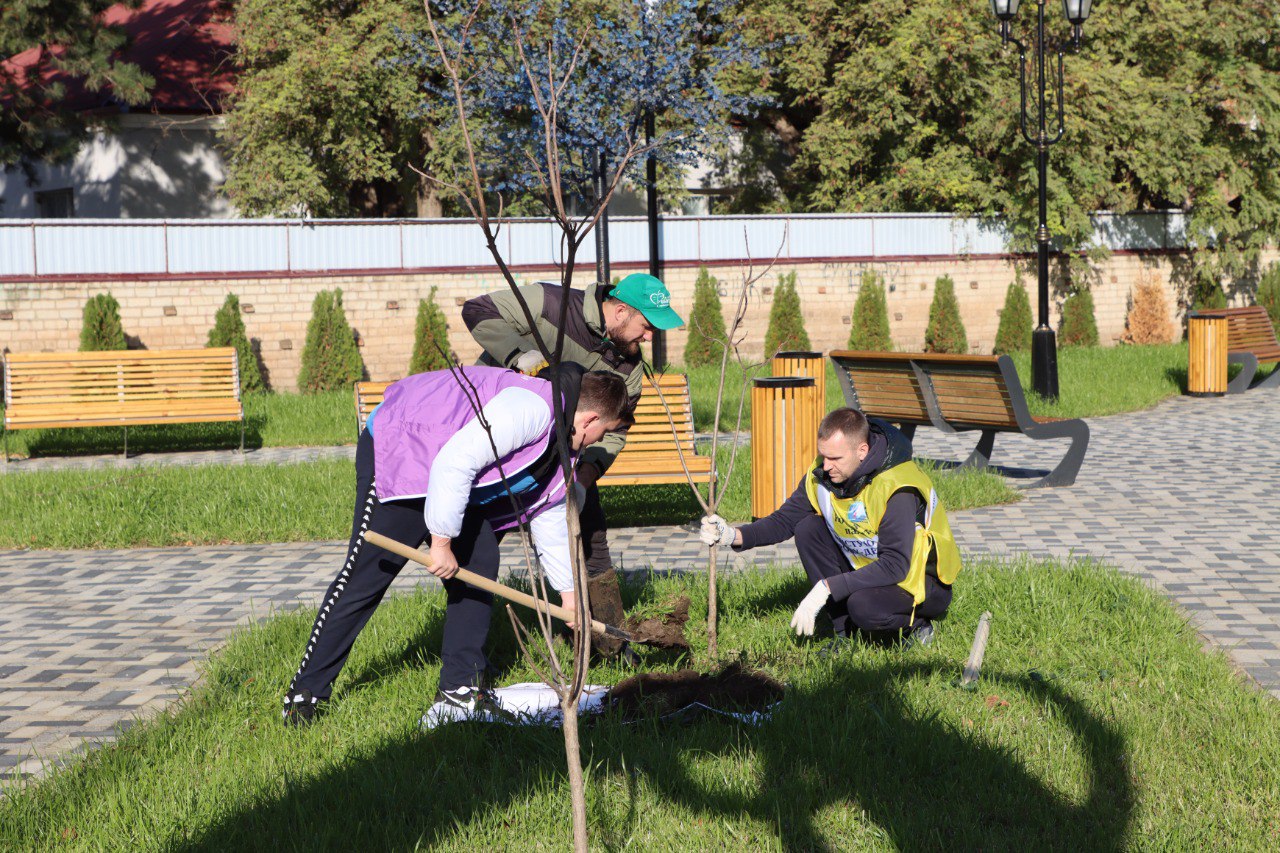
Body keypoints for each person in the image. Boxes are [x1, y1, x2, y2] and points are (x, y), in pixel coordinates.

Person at [282, 365, 630, 726]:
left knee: (480, 557)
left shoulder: (563, 444)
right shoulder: (531, 409)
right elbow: (456, 460)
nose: (595, 443)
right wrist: (441, 541)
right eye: (601, 433)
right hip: (401, 448)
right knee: (367, 575)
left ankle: (459, 688)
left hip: (446, 474)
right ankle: (304, 693)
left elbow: (548, 513)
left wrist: (570, 597)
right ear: (589, 419)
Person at [461, 272, 685, 653]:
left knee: (592, 536)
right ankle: (470, 658)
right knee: (479, 544)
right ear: (618, 311)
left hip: (566, 459)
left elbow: (614, 433)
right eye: (646, 327)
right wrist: (521, 355)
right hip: (499, 442)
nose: (650, 338)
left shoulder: (628, 371)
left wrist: (582, 480)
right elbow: (478, 309)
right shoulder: (551, 305)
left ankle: (607, 646)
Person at [701, 407, 961, 647]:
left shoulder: (896, 487)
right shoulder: (824, 473)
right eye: (823, 455)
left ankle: (918, 626)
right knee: (808, 528)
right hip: (872, 568)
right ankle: (843, 635)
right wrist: (732, 536)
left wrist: (828, 587)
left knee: (864, 608)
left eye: (835, 457)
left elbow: (895, 565)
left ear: (862, 451)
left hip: (921, 582)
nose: (825, 466)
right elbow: (784, 520)